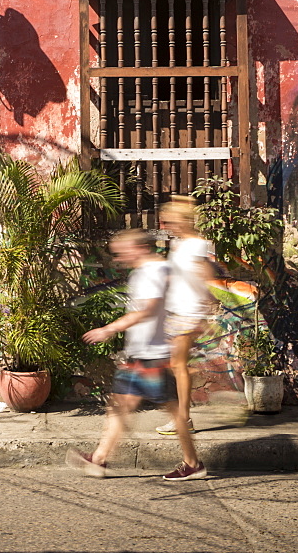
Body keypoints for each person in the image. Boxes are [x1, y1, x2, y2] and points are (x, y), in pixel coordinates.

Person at [66, 228, 206, 481]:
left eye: (123, 252)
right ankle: (99, 459)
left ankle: (193, 464)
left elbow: (149, 310)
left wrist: (109, 329)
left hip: (154, 356)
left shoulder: (154, 271)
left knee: (175, 413)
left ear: (140, 248)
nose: (119, 259)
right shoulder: (149, 271)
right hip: (139, 355)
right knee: (119, 406)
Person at [155, 195, 216, 437]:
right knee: (176, 365)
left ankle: (183, 419)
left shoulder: (198, 244)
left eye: (171, 221)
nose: (168, 225)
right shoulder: (178, 245)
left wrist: (204, 308)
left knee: (178, 366)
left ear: (183, 221)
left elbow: (206, 275)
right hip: (176, 309)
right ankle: (182, 414)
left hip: (188, 310)